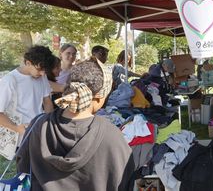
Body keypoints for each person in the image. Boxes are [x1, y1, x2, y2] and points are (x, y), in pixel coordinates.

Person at [16, 57, 135, 191]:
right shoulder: (112, 136)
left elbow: (23, 169)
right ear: (100, 96)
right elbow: (126, 180)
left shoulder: (38, 125)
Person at [0, 46, 55, 135]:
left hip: (38, 130)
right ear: (28, 63)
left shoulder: (42, 77)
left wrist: (49, 122)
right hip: (18, 138)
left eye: (45, 71)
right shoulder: (10, 80)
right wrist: (17, 128)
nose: (42, 73)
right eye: (39, 69)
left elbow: (47, 101)